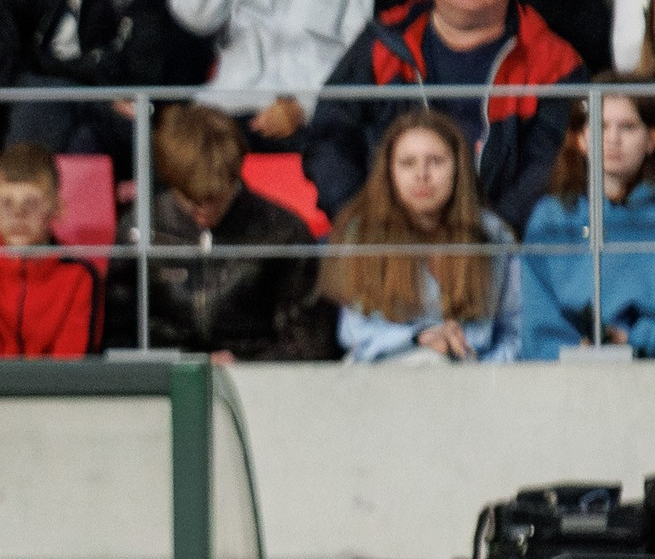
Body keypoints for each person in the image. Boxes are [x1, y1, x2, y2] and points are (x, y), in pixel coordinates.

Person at [302, 0, 584, 230]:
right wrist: (359, 222)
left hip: (504, 255)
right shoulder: (381, 44)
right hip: (384, 243)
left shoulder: (555, 64)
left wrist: (489, 238)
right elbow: (330, 139)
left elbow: (552, 167)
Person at [107, 100, 339, 358]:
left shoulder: (284, 232)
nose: (204, 211)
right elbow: (121, 335)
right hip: (167, 377)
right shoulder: (139, 228)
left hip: (261, 381)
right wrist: (188, 363)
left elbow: (309, 342)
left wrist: (245, 366)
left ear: (235, 176)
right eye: (191, 200)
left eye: (216, 198)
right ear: (171, 182)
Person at [323, 108, 523, 360]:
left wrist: (479, 377)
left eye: (436, 162)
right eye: (408, 163)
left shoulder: (492, 234)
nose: (422, 175)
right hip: (383, 374)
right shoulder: (362, 232)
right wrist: (422, 337)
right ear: (389, 172)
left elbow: (515, 332)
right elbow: (354, 333)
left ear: (458, 168)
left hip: (471, 379)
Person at [520, 77, 655, 355]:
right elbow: (536, 320)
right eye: (601, 126)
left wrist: (634, 341)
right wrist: (570, 351)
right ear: (581, 138)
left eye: (628, 127)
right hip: (565, 379)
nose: (613, 138)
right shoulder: (550, 218)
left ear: (651, 139)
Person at [0, 142, 104, 357]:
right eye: (7, 203)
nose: (18, 214)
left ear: (58, 208)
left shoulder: (81, 277)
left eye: (32, 203)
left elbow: (71, 369)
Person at [170, 0, 375, 151]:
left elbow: (359, 52)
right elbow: (195, 18)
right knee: (179, 144)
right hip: (229, 100)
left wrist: (304, 107)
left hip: (317, 108)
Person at [0, 0, 172, 165]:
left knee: (43, 103)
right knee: (78, 136)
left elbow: (141, 75)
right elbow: (2, 68)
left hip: (117, 109)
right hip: (55, 98)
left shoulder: (141, 8)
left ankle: (26, 188)